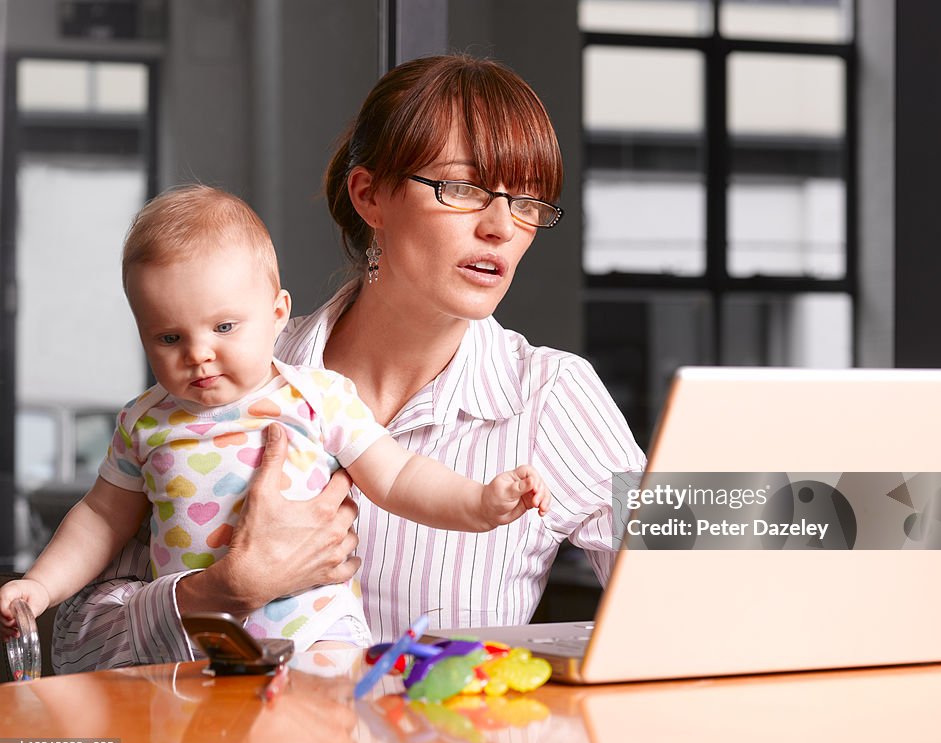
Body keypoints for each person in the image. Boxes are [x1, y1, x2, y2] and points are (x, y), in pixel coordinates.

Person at [50, 54, 646, 672]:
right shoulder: (225, 376)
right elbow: (70, 645)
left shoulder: (552, 394)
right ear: (370, 196)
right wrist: (221, 592)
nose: (501, 226)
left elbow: (704, 587)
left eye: (526, 201)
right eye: (464, 189)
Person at [0, 185, 549, 652]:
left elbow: (401, 477)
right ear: (369, 196)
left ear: (277, 313)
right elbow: (99, 520)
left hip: (319, 639)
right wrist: (40, 587)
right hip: (198, 650)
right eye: (169, 338)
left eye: (223, 328)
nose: (197, 354)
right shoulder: (144, 423)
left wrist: (481, 502)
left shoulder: (318, 397)